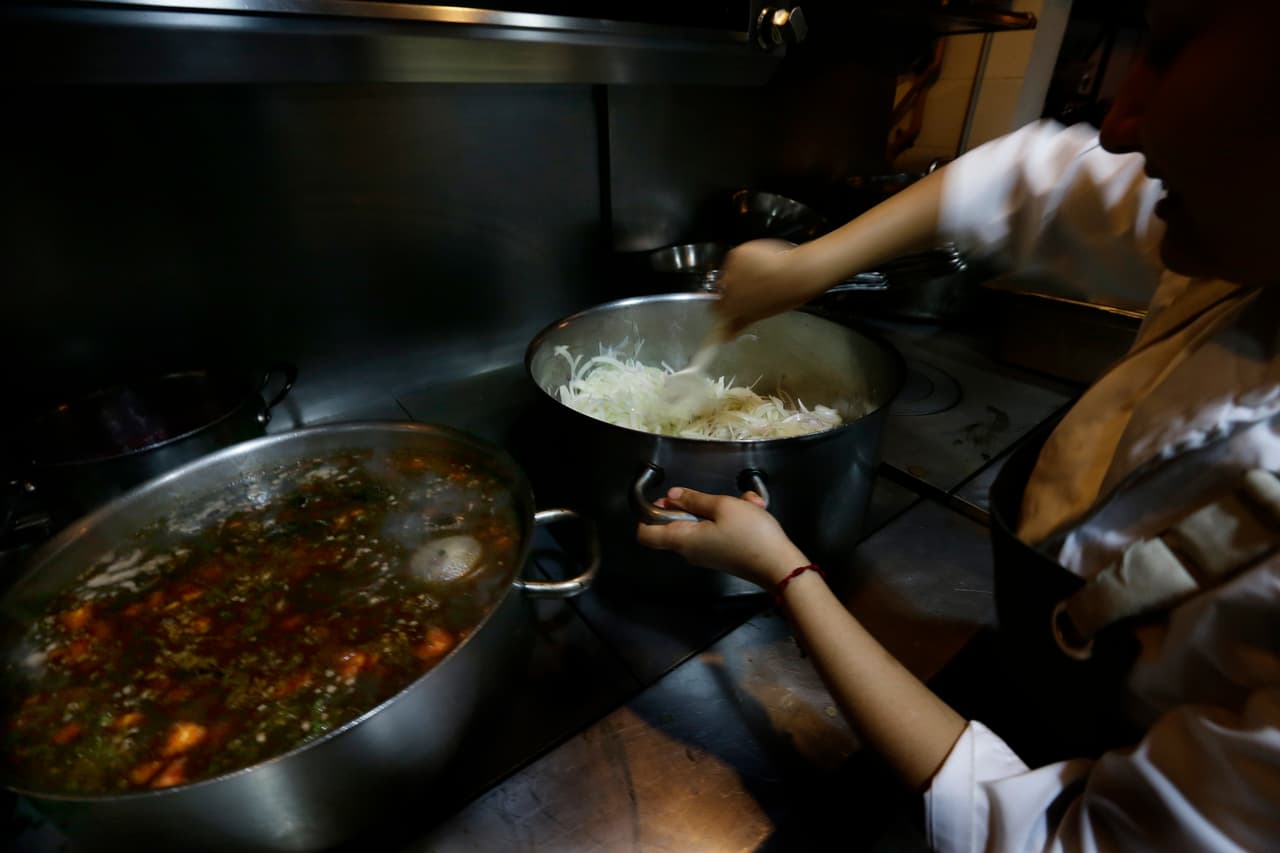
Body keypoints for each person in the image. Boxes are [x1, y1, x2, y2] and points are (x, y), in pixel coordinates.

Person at [637, 1, 1280, 850]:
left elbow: (1054, 836)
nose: (1120, 122)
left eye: (1171, 46)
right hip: (1047, 676)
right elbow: (1034, 180)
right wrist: (809, 265)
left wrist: (786, 572)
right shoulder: (1242, 223)